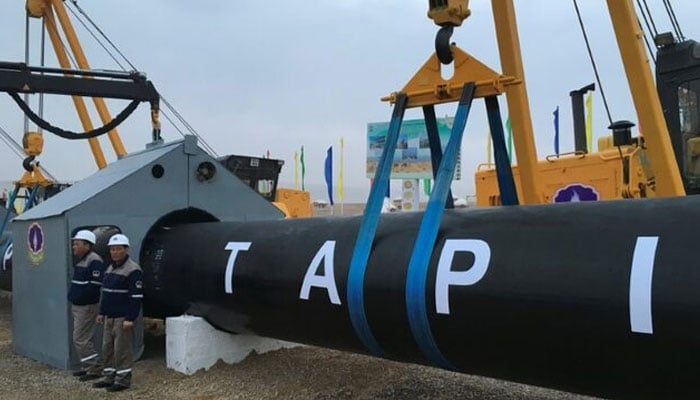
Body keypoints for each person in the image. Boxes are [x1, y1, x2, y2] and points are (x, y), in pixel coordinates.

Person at [91, 233, 143, 392]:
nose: (115, 252)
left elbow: (136, 296)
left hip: (122, 317)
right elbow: (106, 292)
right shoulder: (110, 267)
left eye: (118, 249)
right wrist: (101, 312)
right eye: (112, 249)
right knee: (107, 347)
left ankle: (123, 380)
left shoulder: (133, 270)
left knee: (122, 349)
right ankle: (109, 376)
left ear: (126, 250)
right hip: (109, 316)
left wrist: (130, 318)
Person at [68, 230, 105, 379]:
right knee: (82, 338)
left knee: (80, 338)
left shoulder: (94, 260)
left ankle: (95, 368)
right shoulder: (82, 260)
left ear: (87, 245)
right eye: (74, 244)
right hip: (78, 305)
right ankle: (88, 366)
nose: (74, 247)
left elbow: (94, 286)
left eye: (77, 244)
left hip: (86, 307)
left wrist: (81, 297)